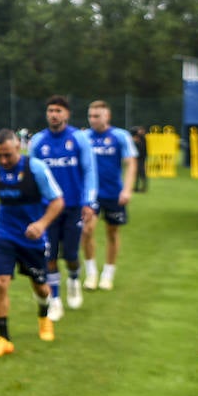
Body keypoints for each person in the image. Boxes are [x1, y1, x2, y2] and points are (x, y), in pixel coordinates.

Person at [0, 128, 64, 354]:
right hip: (5, 236)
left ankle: (44, 316)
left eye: (8, 154)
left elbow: (57, 202)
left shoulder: (36, 169)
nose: (4, 160)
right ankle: (3, 339)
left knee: (42, 288)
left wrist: (41, 224)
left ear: (18, 147)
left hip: (32, 239)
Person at [29, 95, 96, 320]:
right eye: (50, 110)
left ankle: (75, 279)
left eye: (58, 110)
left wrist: (89, 201)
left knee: (70, 255)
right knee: (49, 254)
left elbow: (89, 171)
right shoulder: (38, 141)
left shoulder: (78, 138)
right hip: (48, 209)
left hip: (73, 206)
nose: (53, 114)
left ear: (66, 114)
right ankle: (55, 300)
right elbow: (32, 175)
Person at [81, 100, 137, 291]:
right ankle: (91, 273)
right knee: (87, 230)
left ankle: (108, 274)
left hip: (114, 193)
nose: (93, 120)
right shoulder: (84, 137)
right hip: (91, 195)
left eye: (97, 116)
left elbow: (131, 163)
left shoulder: (120, 136)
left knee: (112, 232)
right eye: (90, 116)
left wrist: (127, 189)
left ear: (107, 116)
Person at [131, 127, 149, 193]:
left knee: (142, 173)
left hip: (141, 159)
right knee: (136, 174)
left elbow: (143, 149)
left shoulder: (142, 138)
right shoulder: (136, 138)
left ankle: (144, 188)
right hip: (136, 158)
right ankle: (136, 187)